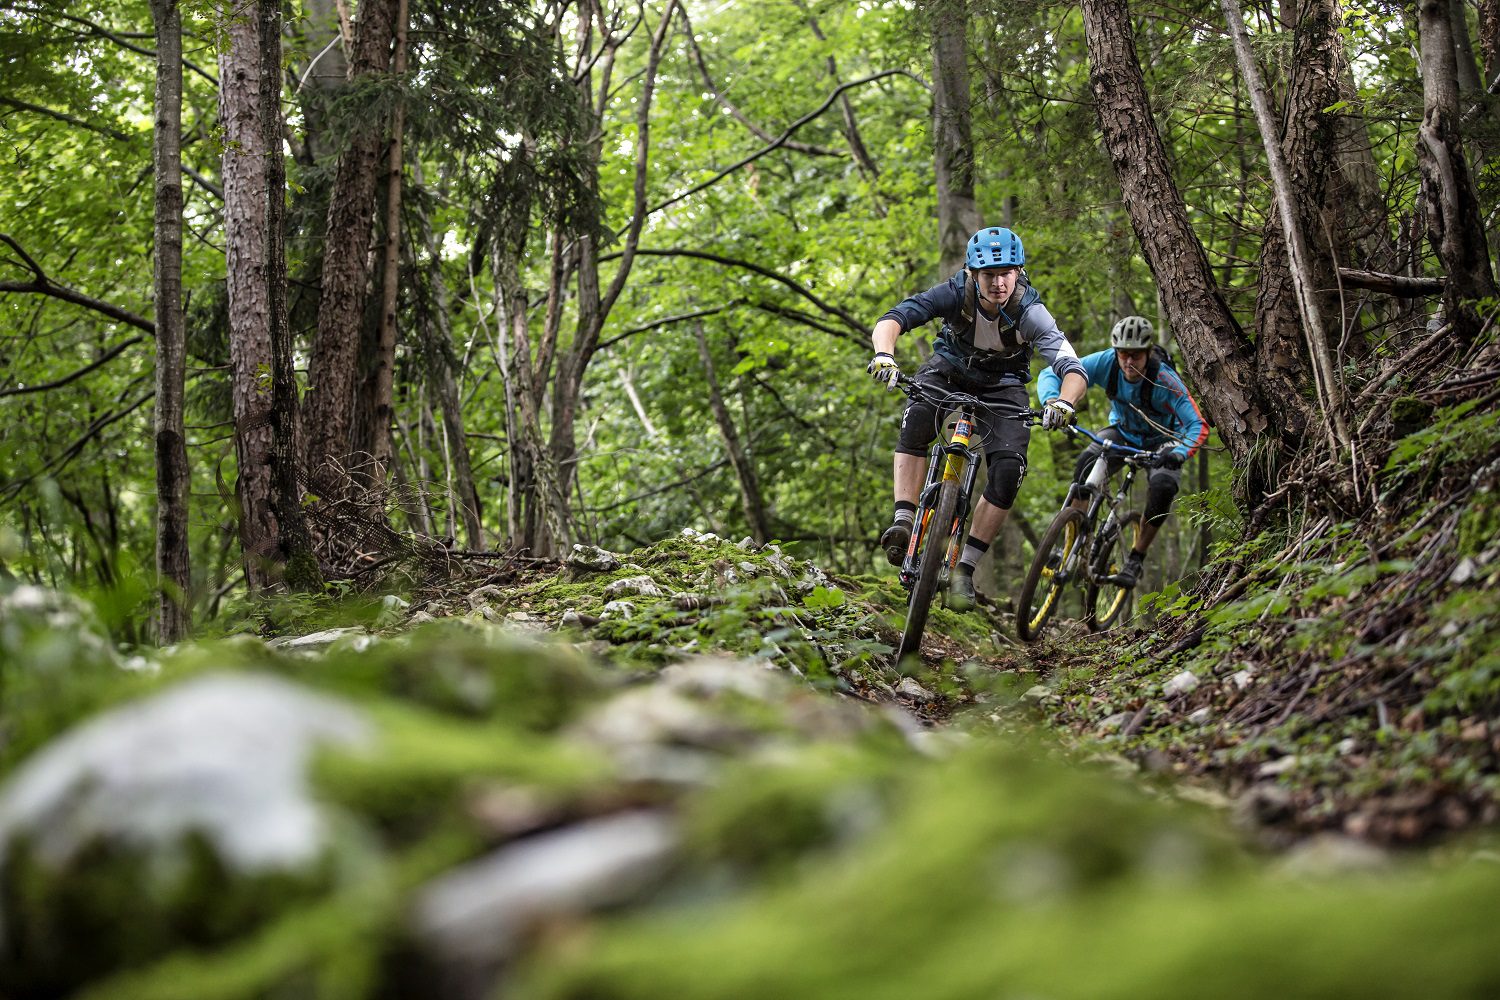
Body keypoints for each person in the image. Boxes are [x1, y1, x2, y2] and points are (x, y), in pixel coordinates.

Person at [868, 226, 1087, 610]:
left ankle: (965, 569)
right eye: (989, 275)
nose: (999, 283)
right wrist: (885, 355)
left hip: (1004, 386)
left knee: (1008, 470)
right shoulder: (954, 293)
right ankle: (904, 519)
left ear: (1019, 272)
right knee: (917, 417)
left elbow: (1072, 367)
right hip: (949, 369)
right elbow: (895, 318)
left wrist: (1064, 404)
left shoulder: (1030, 311)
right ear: (972, 273)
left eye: (1007, 273)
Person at [1036, 315, 1208, 589]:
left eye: (1136, 356)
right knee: (1084, 467)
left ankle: (1136, 557)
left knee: (1163, 487)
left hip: (1162, 440)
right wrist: (1055, 401)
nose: (1128, 362)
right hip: (1123, 432)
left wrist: (1180, 453)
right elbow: (1052, 372)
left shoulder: (1165, 379)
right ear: (1115, 352)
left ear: (1148, 353)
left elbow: (1196, 425)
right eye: (1123, 355)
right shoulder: (1106, 363)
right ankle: (1069, 543)